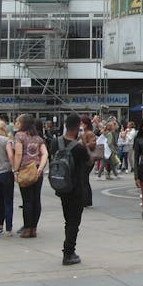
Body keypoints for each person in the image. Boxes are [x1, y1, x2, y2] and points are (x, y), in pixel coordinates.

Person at [54, 113, 91, 264]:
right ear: (78, 127)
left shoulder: (55, 143)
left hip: (62, 186)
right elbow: (89, 162)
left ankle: (68, 249)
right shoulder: (79, 147)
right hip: (77, 188)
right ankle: (69, 252)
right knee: (74, 221)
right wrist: (83, 143)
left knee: (68, 219)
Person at [11, 114, 46, 238]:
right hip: (37, 171)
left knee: (27, 200)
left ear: (22, 124)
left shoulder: (19, 136)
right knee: (36, 199)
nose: (15, 123)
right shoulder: (38, 138)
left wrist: (15, 170)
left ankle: (27, 228)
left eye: (17, 122)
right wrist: (40, 167)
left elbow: (18, 154)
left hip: (25, 170)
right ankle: (34, 228)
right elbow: (45, 154)